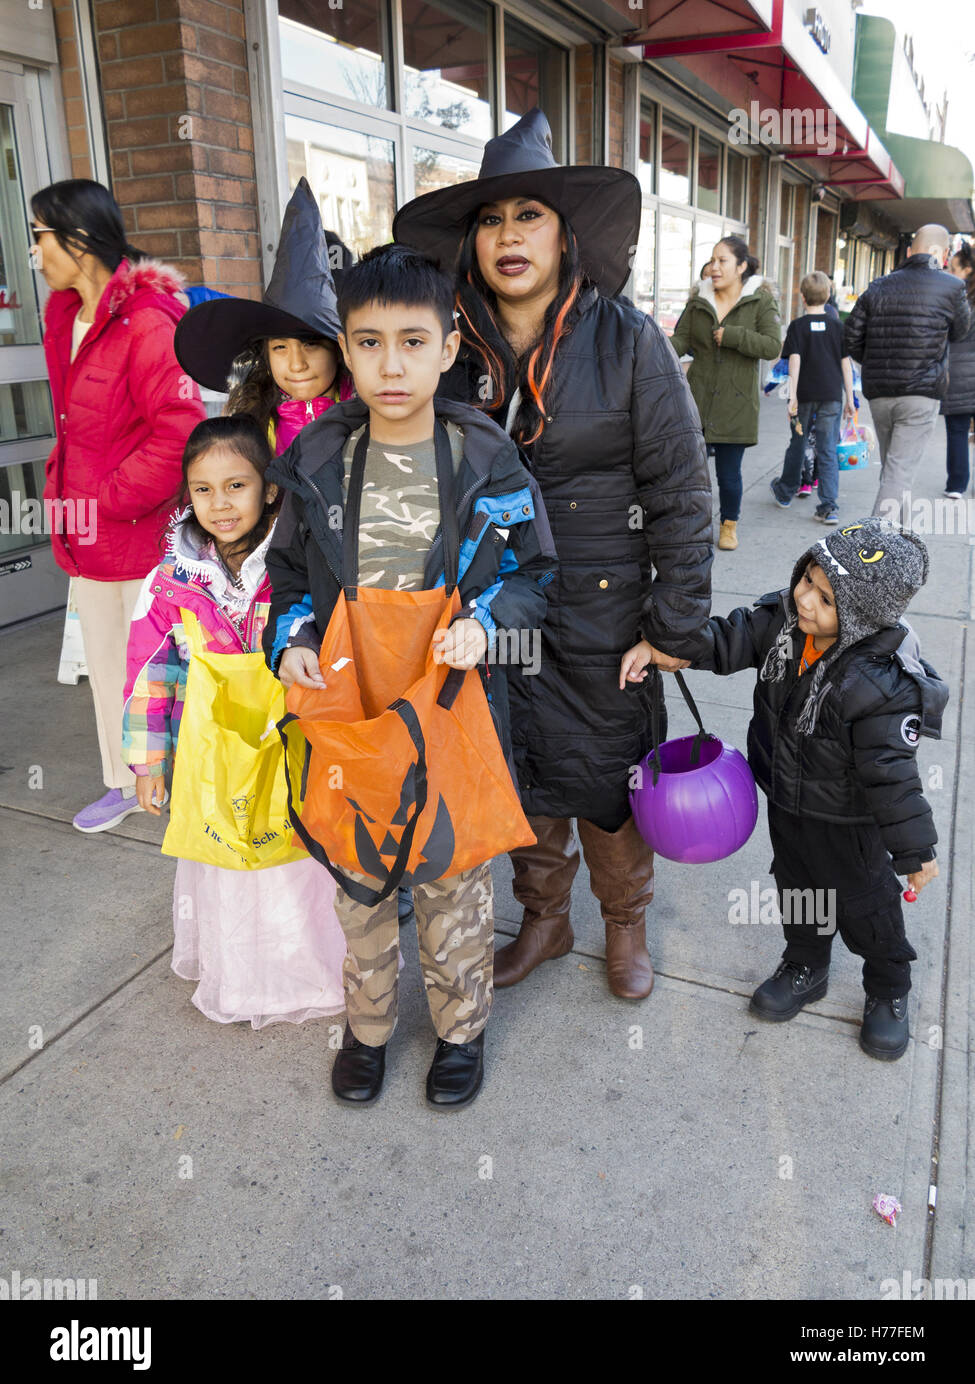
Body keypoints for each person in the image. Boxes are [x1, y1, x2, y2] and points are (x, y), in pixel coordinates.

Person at [391, 107, 712, 1001]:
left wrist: (675, 622)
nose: (506, 236)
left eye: (527, 215)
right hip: (493, 611)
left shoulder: (629, 339)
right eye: (490, 221)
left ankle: (624, 922)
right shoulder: (449, 350)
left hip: (607, 610)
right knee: (519, 765)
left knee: (606, 778)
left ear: (563, 234)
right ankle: (543, 917)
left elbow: (683, 491)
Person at [263, 244, 556, 1107]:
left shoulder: (484, 457)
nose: (391, 364)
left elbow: (535, 577)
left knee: (450, 876)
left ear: (448, 346)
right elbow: (286, 579)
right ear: (344, 349)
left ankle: (461, 1031)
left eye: (411, 341)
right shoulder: (316, 456)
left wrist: (485, 624)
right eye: (368, 342)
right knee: (359, 879)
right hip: (350, 702)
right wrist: (292, 641)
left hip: (450, 701)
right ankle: (367, 1028)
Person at [625, 519, 945, 1062]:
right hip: (787, 800)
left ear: (863, 616)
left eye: (826, 597)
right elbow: (730, 638)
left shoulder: (880, 684)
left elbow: (893, 778)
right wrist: (671, 650)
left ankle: (888, 986)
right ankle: (806, 963)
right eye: (807, 580)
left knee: (864, 903)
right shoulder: (784, 623)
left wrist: (914, 850)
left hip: (847, 820)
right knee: (797, 885)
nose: (805, 599)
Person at [121, 416, 348, 1027]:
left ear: (271, 489)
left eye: (236, 486)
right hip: (212, 756)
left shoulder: (298, 565)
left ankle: (310, 973)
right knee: (226, 865)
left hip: (295, 747)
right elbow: (151, 674)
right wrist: (149, 764)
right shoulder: (169, 583)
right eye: (203, 489)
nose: (219, 504)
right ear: (187, 494)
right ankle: (243, 981)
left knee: (297, 862)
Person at [32, 178, 205, 832]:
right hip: (88, 534)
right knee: (106, 665)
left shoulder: (147, 323)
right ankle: (126, 782)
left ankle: (177, 781)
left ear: (79, 241)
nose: (35, 254)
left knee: (155, 666)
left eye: (40, 238)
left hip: (134, 532)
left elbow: (179, 431)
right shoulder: (64, 314)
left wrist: (103, 499)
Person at [174, 179, 354, 458]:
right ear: (265, 355)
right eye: (280, 347)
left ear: (338, 348)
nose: (297, 364)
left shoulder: (371, 416)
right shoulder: (250, 430)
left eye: (311, 344)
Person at [842, 223, 971, 523]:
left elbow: (851, 337)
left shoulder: (878, 285)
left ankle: (900, 537)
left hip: (881, 393)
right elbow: (961, 331)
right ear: (943, 253)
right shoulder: (952, 288)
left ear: (911, 251)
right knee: (898, 473)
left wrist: (872, 363)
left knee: (894, 472)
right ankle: (873, 545)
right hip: (921, 393)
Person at [670, 234, 782, 550]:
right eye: (713, 259)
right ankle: (689, 526)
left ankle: (728, 525)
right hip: (698, 403)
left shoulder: (760, 302)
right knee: (687, 474)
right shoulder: (699, 302)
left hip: (737, 405)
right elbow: (681, 340)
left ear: (741, 266)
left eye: (723, 261)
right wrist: (657, 348)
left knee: (728, 476)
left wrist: (733, 335)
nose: (715, 267)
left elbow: (772, 346)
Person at [770, 270, 855, 524]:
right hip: (831, 396)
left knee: (798, 442)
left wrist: (792, 395)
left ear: (802, 297)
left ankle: (785, 492)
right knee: (827, 448)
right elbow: (846, 365)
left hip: (804, 395)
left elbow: (794, 361)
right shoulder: (838, 327)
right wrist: (850, 397)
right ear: (828, 295)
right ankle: (829, 506)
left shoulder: (797, 327)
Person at [942, 241, 975, 498]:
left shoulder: (955, 298)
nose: (949, 273)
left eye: (953, 268)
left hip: (958, 374)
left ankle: (956, 484)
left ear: (967, 269)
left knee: (957, 429)